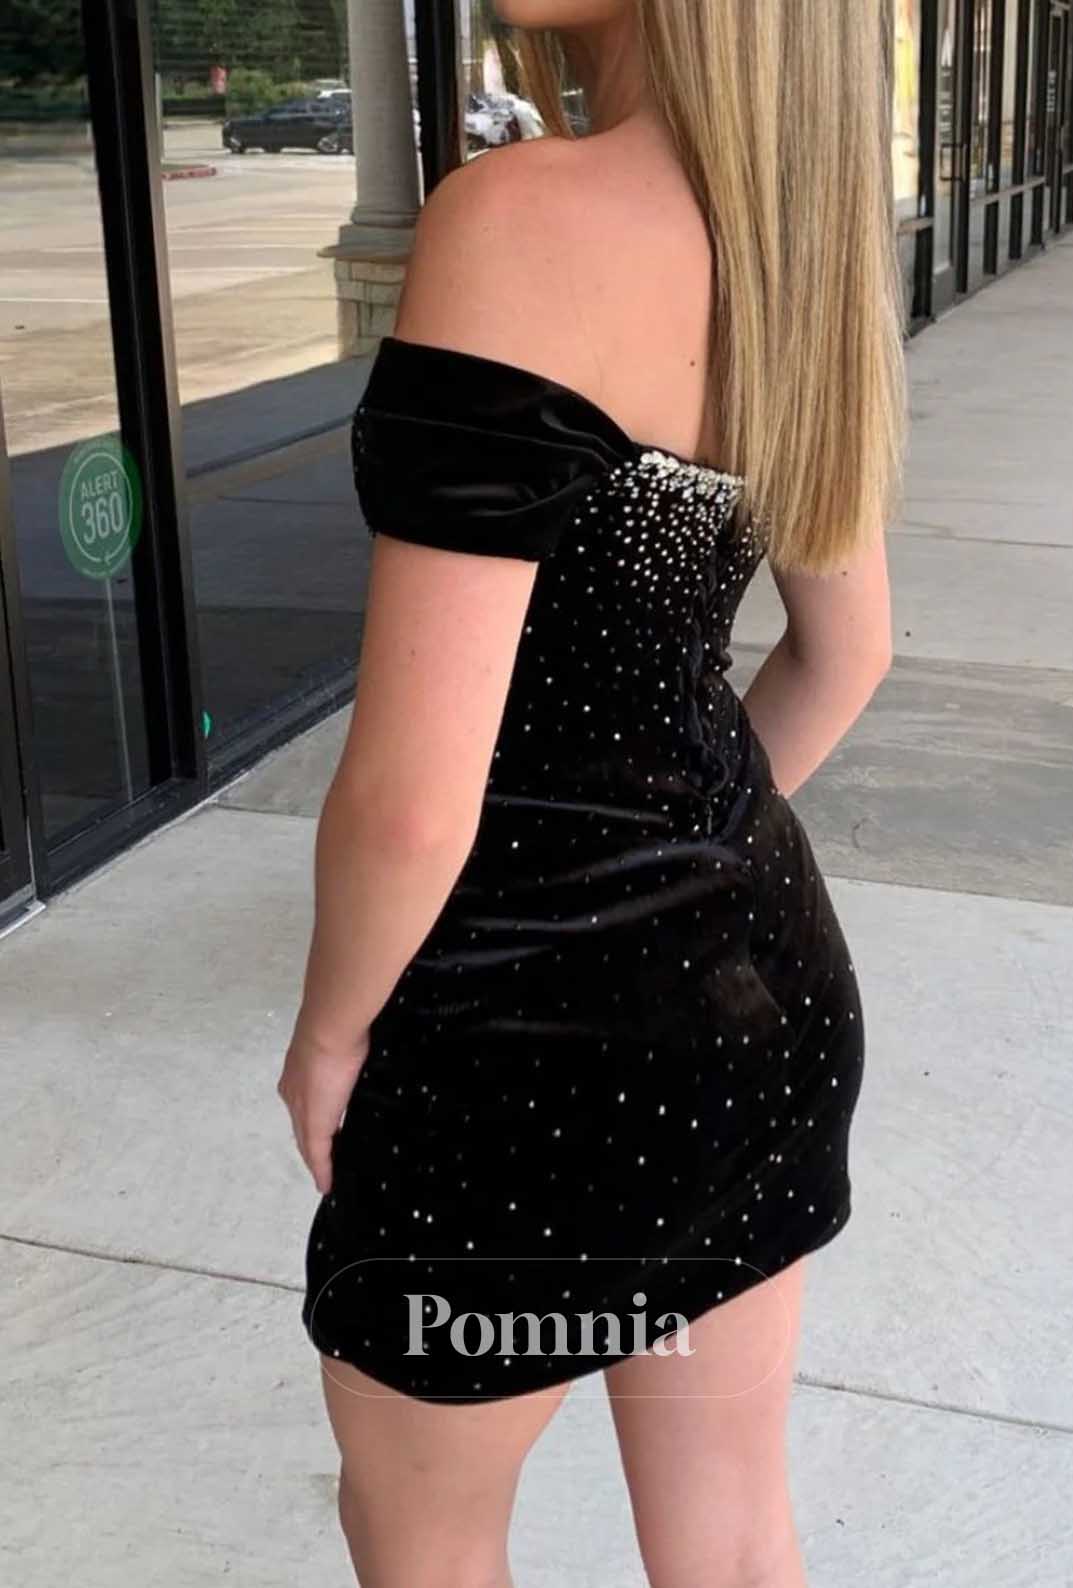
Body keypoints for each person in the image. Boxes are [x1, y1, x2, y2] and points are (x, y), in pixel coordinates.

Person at [276, 1, 906, 1583]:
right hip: (763, 1005)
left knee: (424, 1535)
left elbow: (412, 801)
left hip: (524, 1048)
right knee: (733, 1541)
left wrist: (332, 1032)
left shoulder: (519, 217)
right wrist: (679, 863)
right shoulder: (794, 248)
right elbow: (849, 655)